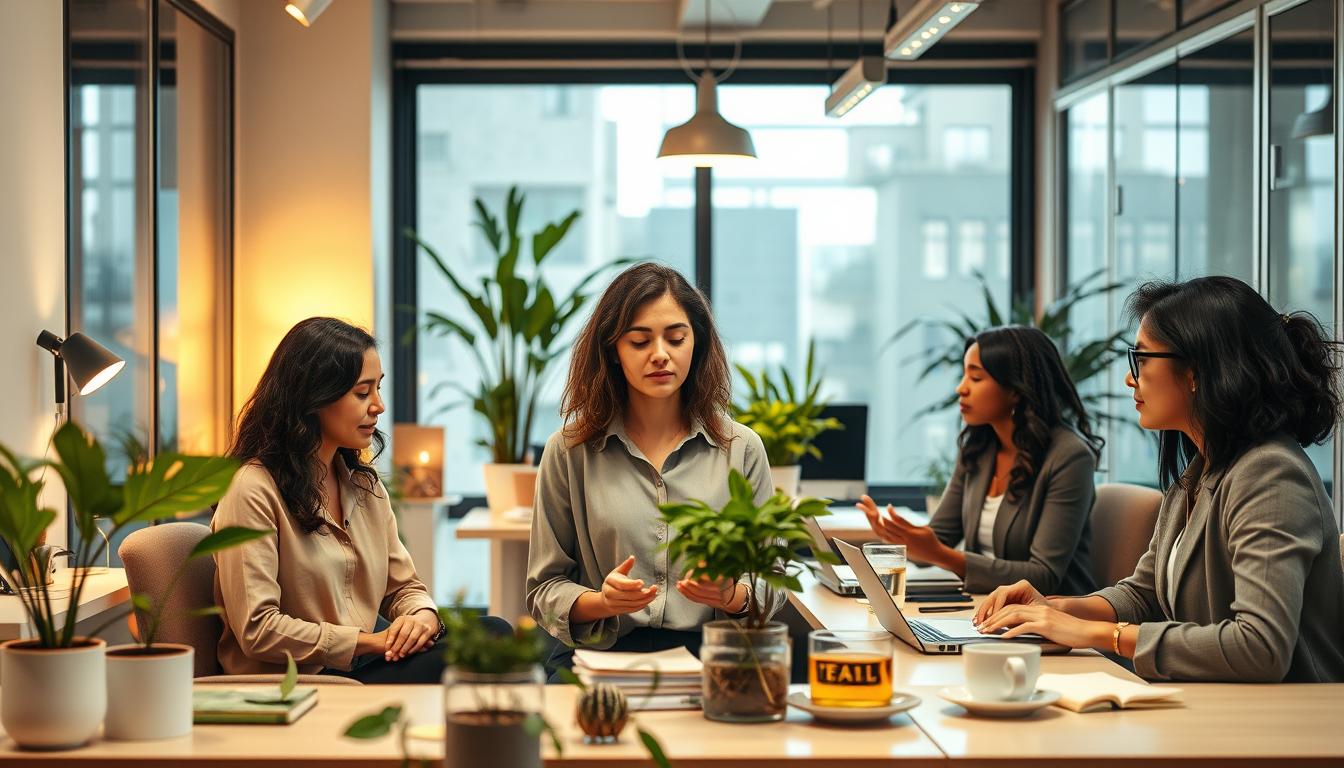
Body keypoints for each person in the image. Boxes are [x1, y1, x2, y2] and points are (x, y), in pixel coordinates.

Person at [976, 277, 1344, 683]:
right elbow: (1145, 593)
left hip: (1285, 725)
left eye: (1142, 359)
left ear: (1196, 372)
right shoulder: (1200, 471)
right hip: (1215, 705)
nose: (1130, 379)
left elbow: (1260, 647)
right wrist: (1058, 610)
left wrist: (1101, 634)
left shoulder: (1270, 474)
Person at [213, 317, 507, 683]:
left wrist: (422, 618)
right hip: (300, 679)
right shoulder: (252, 489)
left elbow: (405, 587)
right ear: (313, 396)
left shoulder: (364, 486)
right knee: (492, 651)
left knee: (495, 630)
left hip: (358, 665)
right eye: (362, 392)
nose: (379, 406)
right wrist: (369, 642)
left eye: (378, 389)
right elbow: (259, 629)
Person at [526, 263, 782, 677]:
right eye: (640, 341)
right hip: (601, 655)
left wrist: (731, 595)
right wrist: (602, 602)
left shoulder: (741, 449)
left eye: (676, 338)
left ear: (696, 345)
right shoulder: (569, 451)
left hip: (710, 657)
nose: (660, 354)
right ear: (613, 351)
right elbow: (544, 588)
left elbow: (772, 578)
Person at [861, 325, 1102, 595]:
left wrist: (940, 554)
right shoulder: (979, 450)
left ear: (1016, 389)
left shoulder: (1069, 457)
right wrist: (900, 537)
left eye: (976, 378)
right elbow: (940, 539)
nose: (961, 388)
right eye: (964, 375)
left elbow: (1043, 576)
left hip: (1053, 617)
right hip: (986, 610)